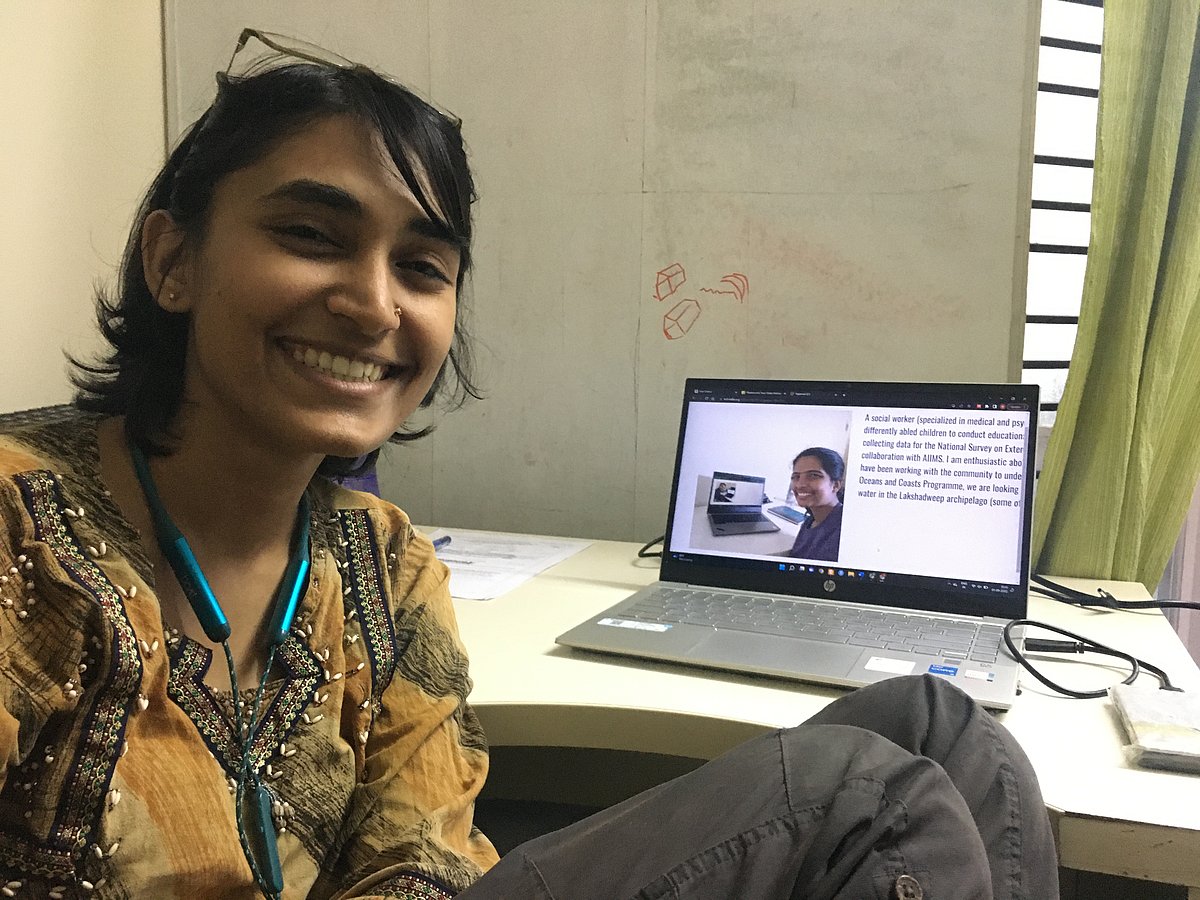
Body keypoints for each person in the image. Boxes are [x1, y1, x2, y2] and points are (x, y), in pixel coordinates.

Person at [0, 31, 1059, 900]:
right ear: (173, 261)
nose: (373, 303)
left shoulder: (382, 564)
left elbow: (424, 854)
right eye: (312, 235)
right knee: (870, 795)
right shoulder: (20, 534)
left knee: (947, 732)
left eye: (422, 265)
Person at [786, 447, 846, 562]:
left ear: (835, 485)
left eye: (813, 475)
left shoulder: (843, 531)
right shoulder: (810, 521)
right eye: (796, 477)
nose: (800, 485)